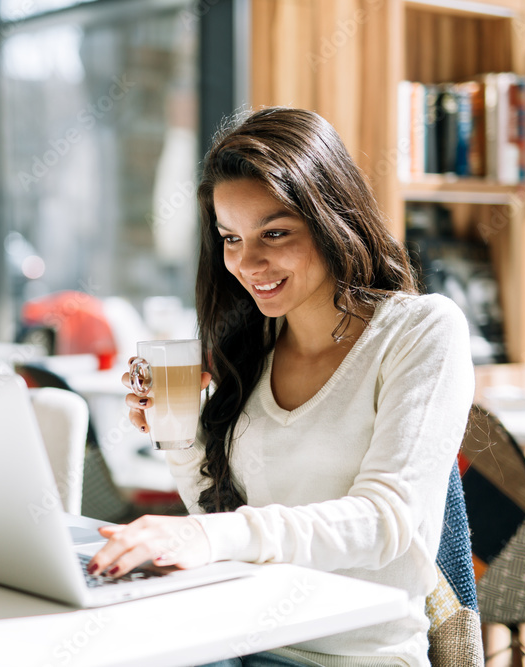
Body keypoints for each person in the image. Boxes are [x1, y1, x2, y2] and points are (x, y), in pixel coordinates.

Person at [85, 108, 475, 666]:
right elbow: (221, 515)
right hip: (240, 638)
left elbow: (386, 520)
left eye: (275, 233)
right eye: (231, 238)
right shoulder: (252, 346)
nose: (248, 263)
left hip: (351, 657)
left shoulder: (422, 330)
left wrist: (213, 538)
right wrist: (180, 435)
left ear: (331, 219)